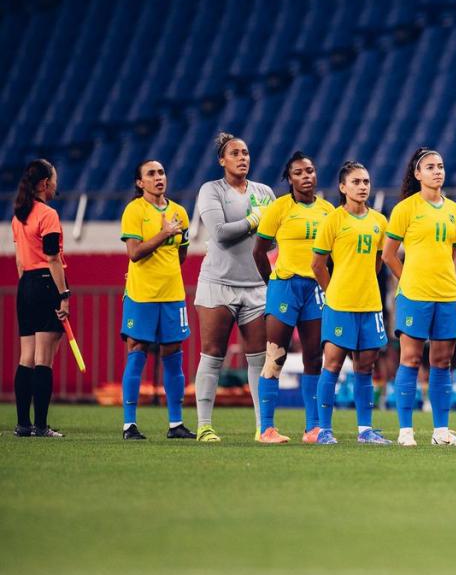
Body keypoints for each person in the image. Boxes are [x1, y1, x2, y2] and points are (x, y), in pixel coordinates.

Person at [193, 132, 275, 442]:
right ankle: (204, 425)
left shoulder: (264, 192)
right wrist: (255, 221)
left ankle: (261, 426)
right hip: (218, 283)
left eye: (246, 153)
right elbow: (220, 233)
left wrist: (265, 229)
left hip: (255, 285)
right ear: (222, 161)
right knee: (212, 353)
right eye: (235, 153)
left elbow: (275, 237)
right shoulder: (211, 190)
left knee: (258, 358)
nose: (243, 158)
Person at [251, 151, 334, 443]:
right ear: (289, 178)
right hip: (284, 286)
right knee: (276, 355)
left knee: (314, 357)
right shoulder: (279, 208)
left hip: (315, 290)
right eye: (298, 172)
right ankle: (267, 429)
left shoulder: (328, 210)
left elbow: (331, 256)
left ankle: (313, 428)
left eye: (310, 171)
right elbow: (259, 251)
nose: (306, 176)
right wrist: (272, 284)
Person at [384, 147, 456, 447]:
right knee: (411, 358)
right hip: (414, 295)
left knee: (442, 362)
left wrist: (450, 280)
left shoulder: (454, 209)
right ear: (417, 174)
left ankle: (440, 430)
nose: (437, 171)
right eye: (430, 167)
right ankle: (406, 430)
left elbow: (453, 253)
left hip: (446, 295)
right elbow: (389, 255)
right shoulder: (405, 209)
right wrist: (410, 280)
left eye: (440, 166)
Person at [311, 161, 392, 445]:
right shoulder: (333, 219)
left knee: (365, 368)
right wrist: (333, 291)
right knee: (332, 365)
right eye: (356, 182)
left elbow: (379, 263)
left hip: (370, 304)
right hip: (340, 304)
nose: (362, 187)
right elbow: (317, 264)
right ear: (343, 187)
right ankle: (324, 430)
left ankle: (365, 430)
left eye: (366, 182)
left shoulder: (380, 222)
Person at [118, 160, 195, 440]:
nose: (158, 177)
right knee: (136, 350)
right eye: (151, 174)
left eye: (161, 172)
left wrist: (167, 261)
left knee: (173, 355)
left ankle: (176, 424)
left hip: (173, 294)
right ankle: (130, 425)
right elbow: (134, 253)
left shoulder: (180, 212)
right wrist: (163, 234)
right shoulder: (134, 210)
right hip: (142, 294)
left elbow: (182, 253)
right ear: (140, 183)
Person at [11, 159, 67, 438]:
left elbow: (21, 262)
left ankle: (23, 424)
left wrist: (28, 284)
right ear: (45, 184)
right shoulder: (48, 215)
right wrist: (64, 295)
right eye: (54, 179)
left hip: (25, 286)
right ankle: (42, 426)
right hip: (46, 285)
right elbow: (53, 257)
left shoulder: (18, 216)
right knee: (44, 359)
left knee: (26, 358)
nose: (56, 184)